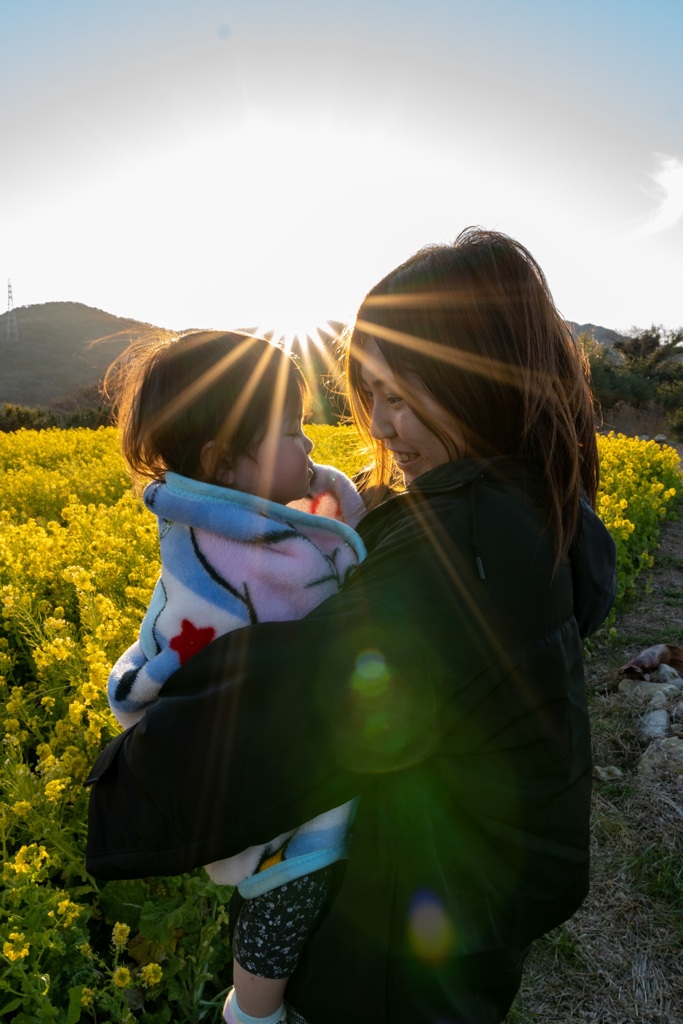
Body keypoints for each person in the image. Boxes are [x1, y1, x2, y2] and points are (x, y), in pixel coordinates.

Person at [86, 229, 617, 1024]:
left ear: (484, 383)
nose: (382, 427)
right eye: (372, 396)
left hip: (392, 941)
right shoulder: (540, 505)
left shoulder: (460, 547)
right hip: (462, 908)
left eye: (402, 397)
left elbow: (302, 716)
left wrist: (123, 780)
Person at [102, 330, 367, 1024]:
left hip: (303, 728)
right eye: (290, 432)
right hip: (260, 760)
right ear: (224, 466)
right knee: (289, 879)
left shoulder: (286, 513)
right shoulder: (216, 558)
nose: (310, 445)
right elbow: (179, 652)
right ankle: (252, 1011)